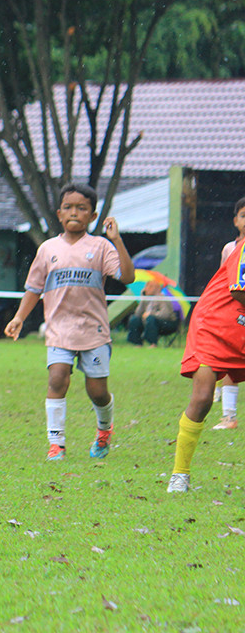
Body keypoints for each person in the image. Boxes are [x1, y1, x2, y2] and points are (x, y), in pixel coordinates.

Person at [4, 182, 135, 461]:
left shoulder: (101, 247)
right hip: (59, 329)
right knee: (57, 378)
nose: (74, 212)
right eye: (68, 207)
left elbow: (127, 277)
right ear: (59, 214)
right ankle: (56, 444)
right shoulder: (47, 249)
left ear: (93, 215)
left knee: (97, 392)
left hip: (93, 331)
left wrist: (117, 240)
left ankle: (104, 430)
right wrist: (19, 318)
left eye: (82, 208)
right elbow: (34, 289)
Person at [166, 230, 245, 492]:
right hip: (212, 326)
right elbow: (240, 292)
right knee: (202, 398)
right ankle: (180, 474)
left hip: (241, 329)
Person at [210, 198, 245, 431]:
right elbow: (223, 281)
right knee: (229, 359)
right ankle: (229, 417)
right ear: (235, 221)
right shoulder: (229, 249)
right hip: (234, 313)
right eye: (243, 215)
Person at [126, 279, 179, 347]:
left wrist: (151, 313)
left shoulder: (162, 298)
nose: (146, 289)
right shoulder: (146, 299)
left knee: (151, 319)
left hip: (166, 323)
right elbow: (138, 313)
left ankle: (152, 343)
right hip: (148, 322)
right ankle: (137, 342)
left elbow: (165, 314)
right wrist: (143, 299)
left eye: (150, 287)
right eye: (146, 286)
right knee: (134, 319)